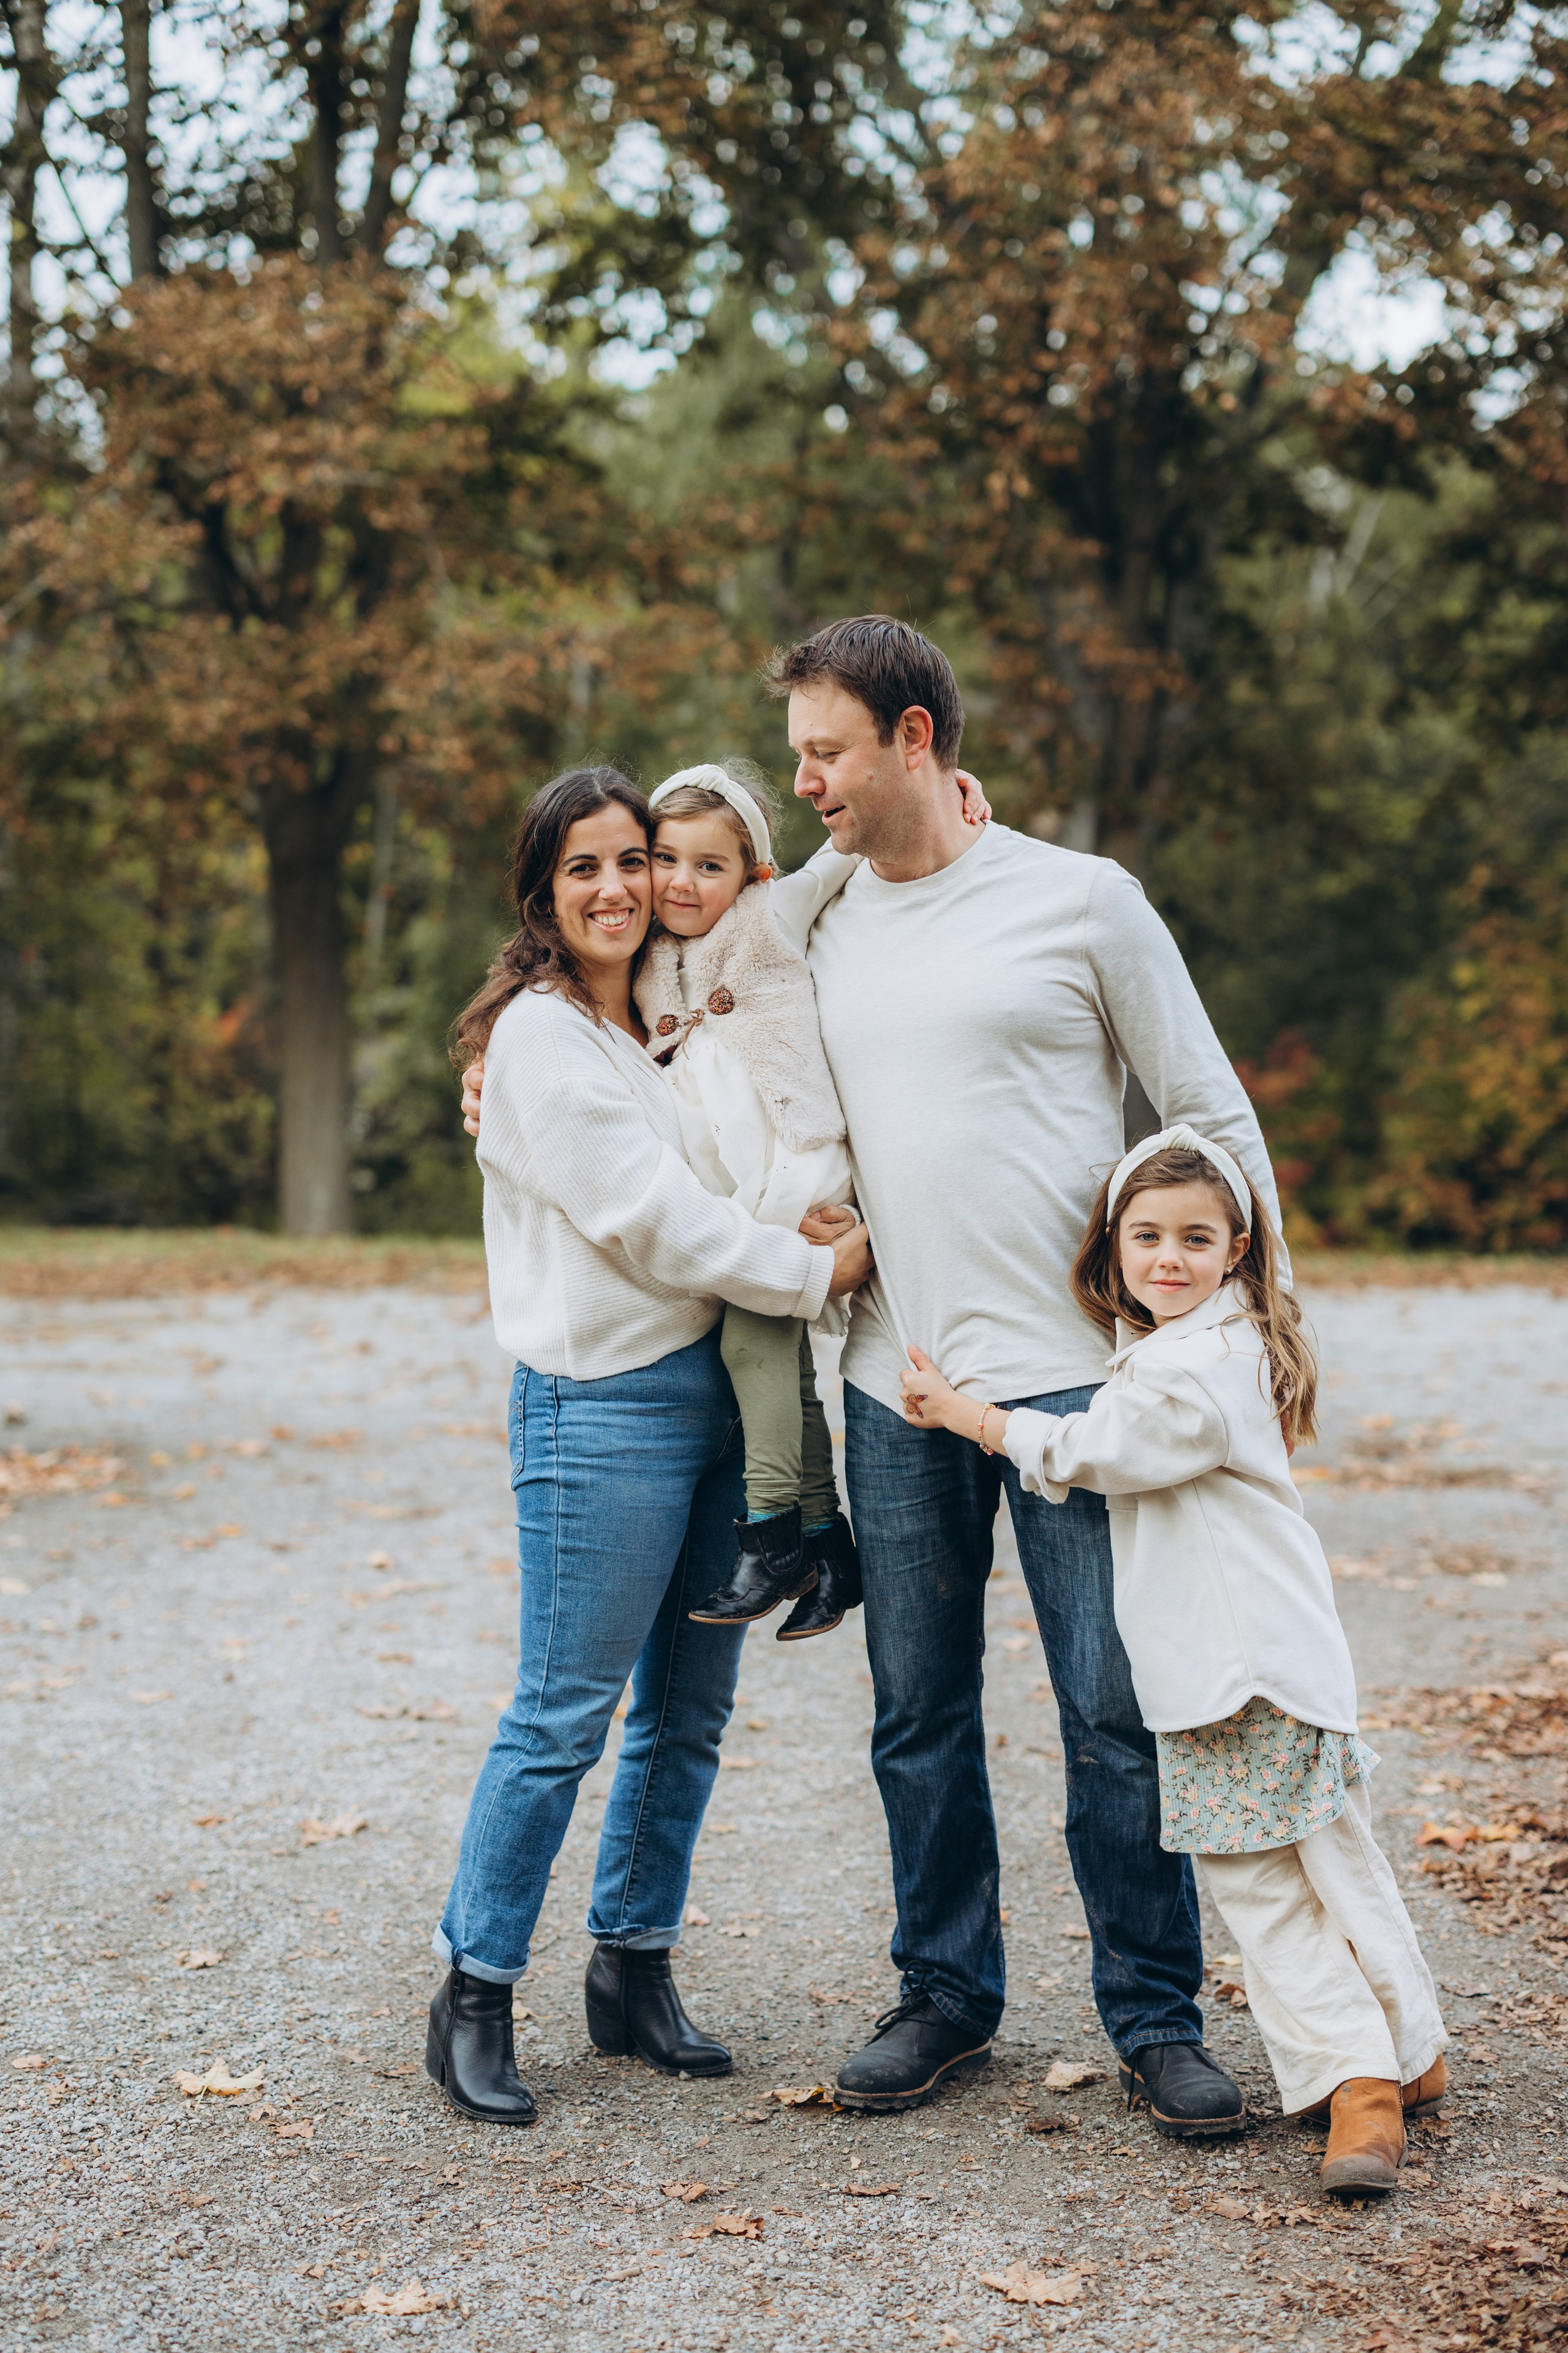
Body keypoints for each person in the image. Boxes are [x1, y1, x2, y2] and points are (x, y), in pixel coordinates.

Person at [466, 616, 1281, 2135]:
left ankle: (1154, 2016)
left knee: (1110, 1710)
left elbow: (1206, 1111)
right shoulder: (809, 919)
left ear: (916, 741)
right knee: (917, 1710)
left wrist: (1255, 1327)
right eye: (795, 756)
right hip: (887, 1380)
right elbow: (644, 982)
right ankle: (944, 1993)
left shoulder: (1081, 900)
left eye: (824, 752)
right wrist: (499, 1061)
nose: (803, 781)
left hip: (1069, 1384)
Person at [427, 765, 871, 2123]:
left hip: (714, 1389)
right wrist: (813, 1273)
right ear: (542, 893)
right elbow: (648, 1217)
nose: (622, 887)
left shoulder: (662, 1017)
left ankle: (632, 1967)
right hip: (602, 1406)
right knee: (562, 1712)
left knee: (688, 1709)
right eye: (587, 868)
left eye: (635, 860)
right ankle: (474, 1989)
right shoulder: (542, 1039)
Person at [898, 1126, 1448, 2195]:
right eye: (1146, 1235)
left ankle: (1360, 2087)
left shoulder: (1190, 1369)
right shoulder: (1221, 1341)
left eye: (1195, 1238)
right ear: (1115, 1242)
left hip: (1233, 1673)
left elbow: (1092, 1448)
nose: (1167, 1257)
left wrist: (971, 1415)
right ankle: (1409, 2048)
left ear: (1237, 1248)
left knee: (1263, 1885)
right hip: (1281, 1662)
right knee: (1334, 1863)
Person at [636, 757, 989, 1639]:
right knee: (782, 1364)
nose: (683, 882)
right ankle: (830, 1548)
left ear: (751, 872)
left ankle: (770, 1536)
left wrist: (945, 788)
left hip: (797, 1166)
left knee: (752, 1336)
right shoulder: (647, 954)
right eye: (666, 859)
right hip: (742, 1185)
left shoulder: (770, 914)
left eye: (709, 865)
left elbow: (840, 853)